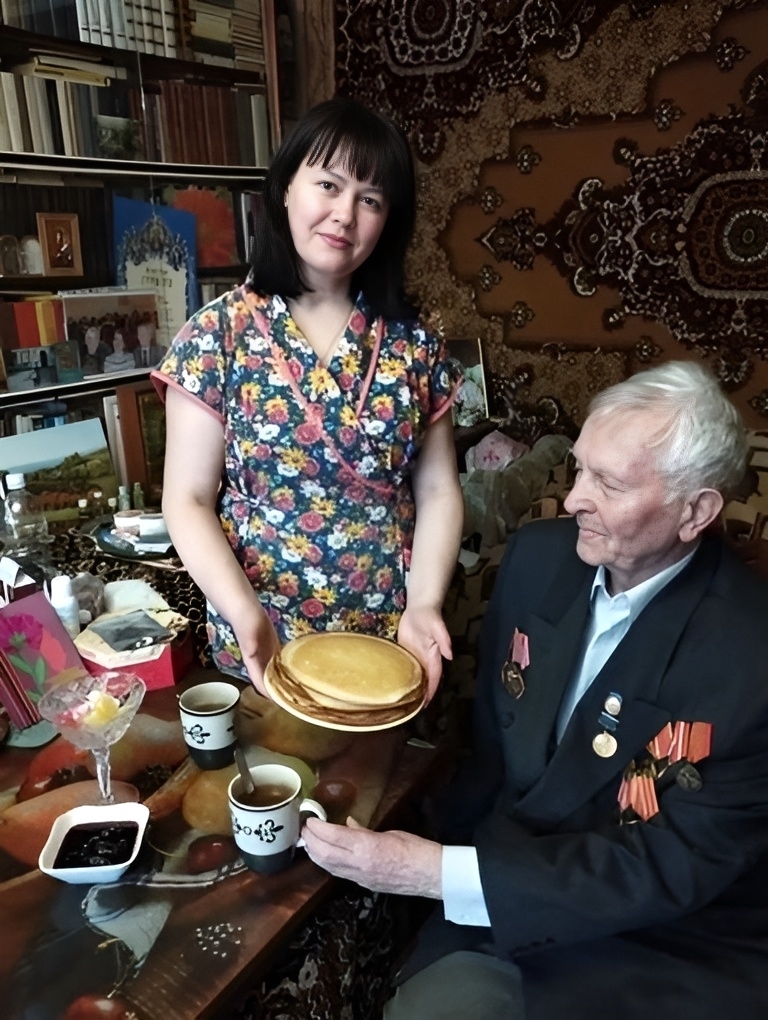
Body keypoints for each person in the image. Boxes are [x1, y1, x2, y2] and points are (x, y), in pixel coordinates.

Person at [302, 360, 768, 1019]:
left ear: (695, 511)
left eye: (608, 483)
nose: (574, 500)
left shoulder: (750, 659)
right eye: (579, 469)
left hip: (666, 943)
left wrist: (435, 873)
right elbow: (493, 755)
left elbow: (667, 865)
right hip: (504, 893)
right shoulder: (538, 558)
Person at [153, 97, 463, 699]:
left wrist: (424, 603)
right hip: (264, 631)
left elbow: (438, 490)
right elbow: (187, 499)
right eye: (329, 185)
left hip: (387, 632)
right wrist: (245, 614)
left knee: (378, 762)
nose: (344, 214)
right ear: (285, 188)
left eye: (370, 200)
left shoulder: (415, 344)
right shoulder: (217, 334)